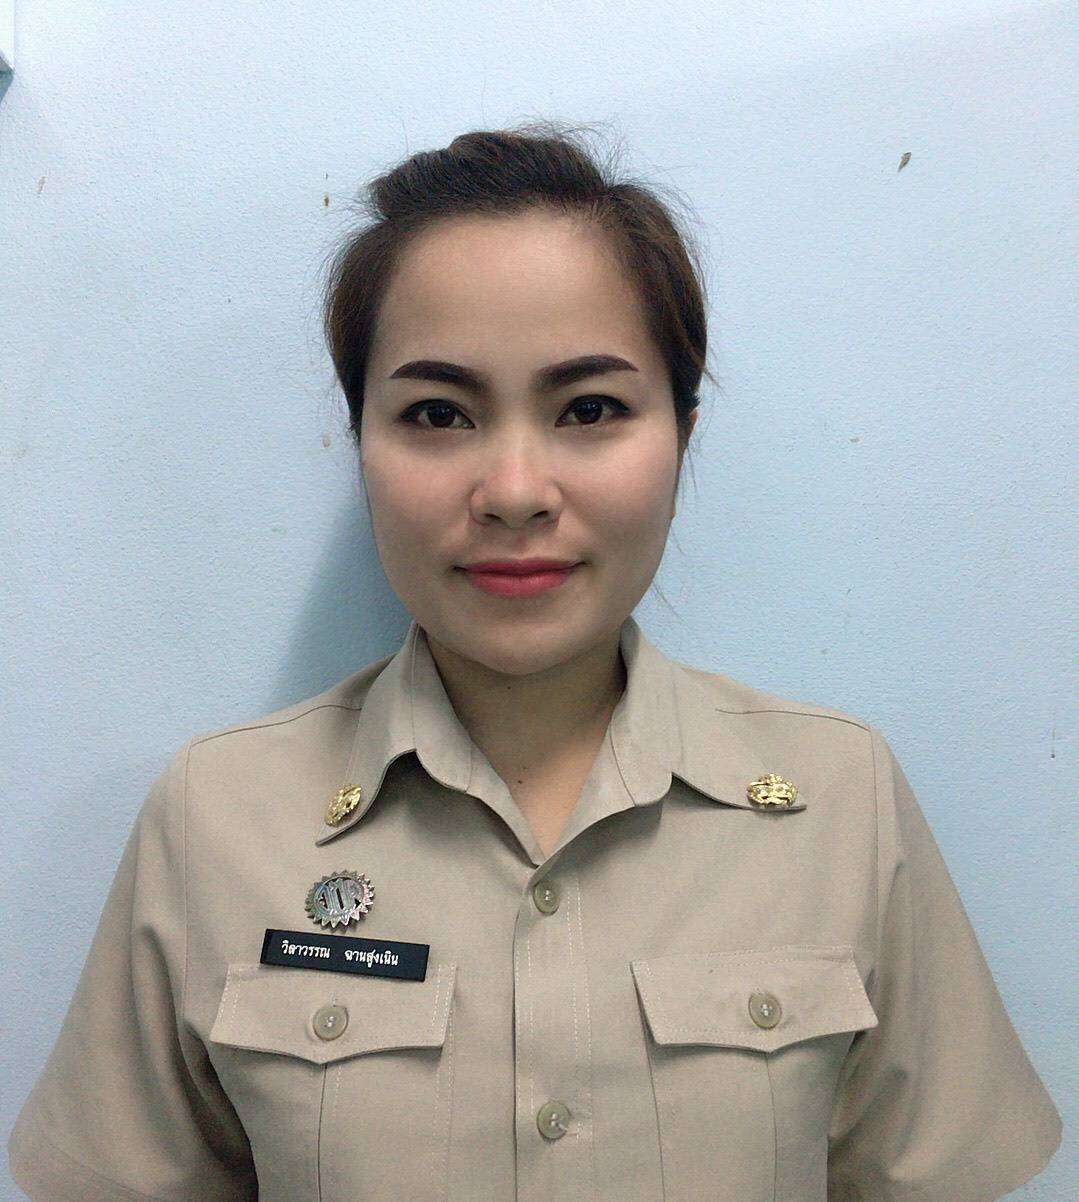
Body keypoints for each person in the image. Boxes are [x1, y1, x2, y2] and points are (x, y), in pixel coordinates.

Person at [7, 121, 1062, 1202]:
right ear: (359, 440)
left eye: (588, 409)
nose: (513, 491)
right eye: (437, 413)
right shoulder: (216, 815)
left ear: (683, 432)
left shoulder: (839, 800)